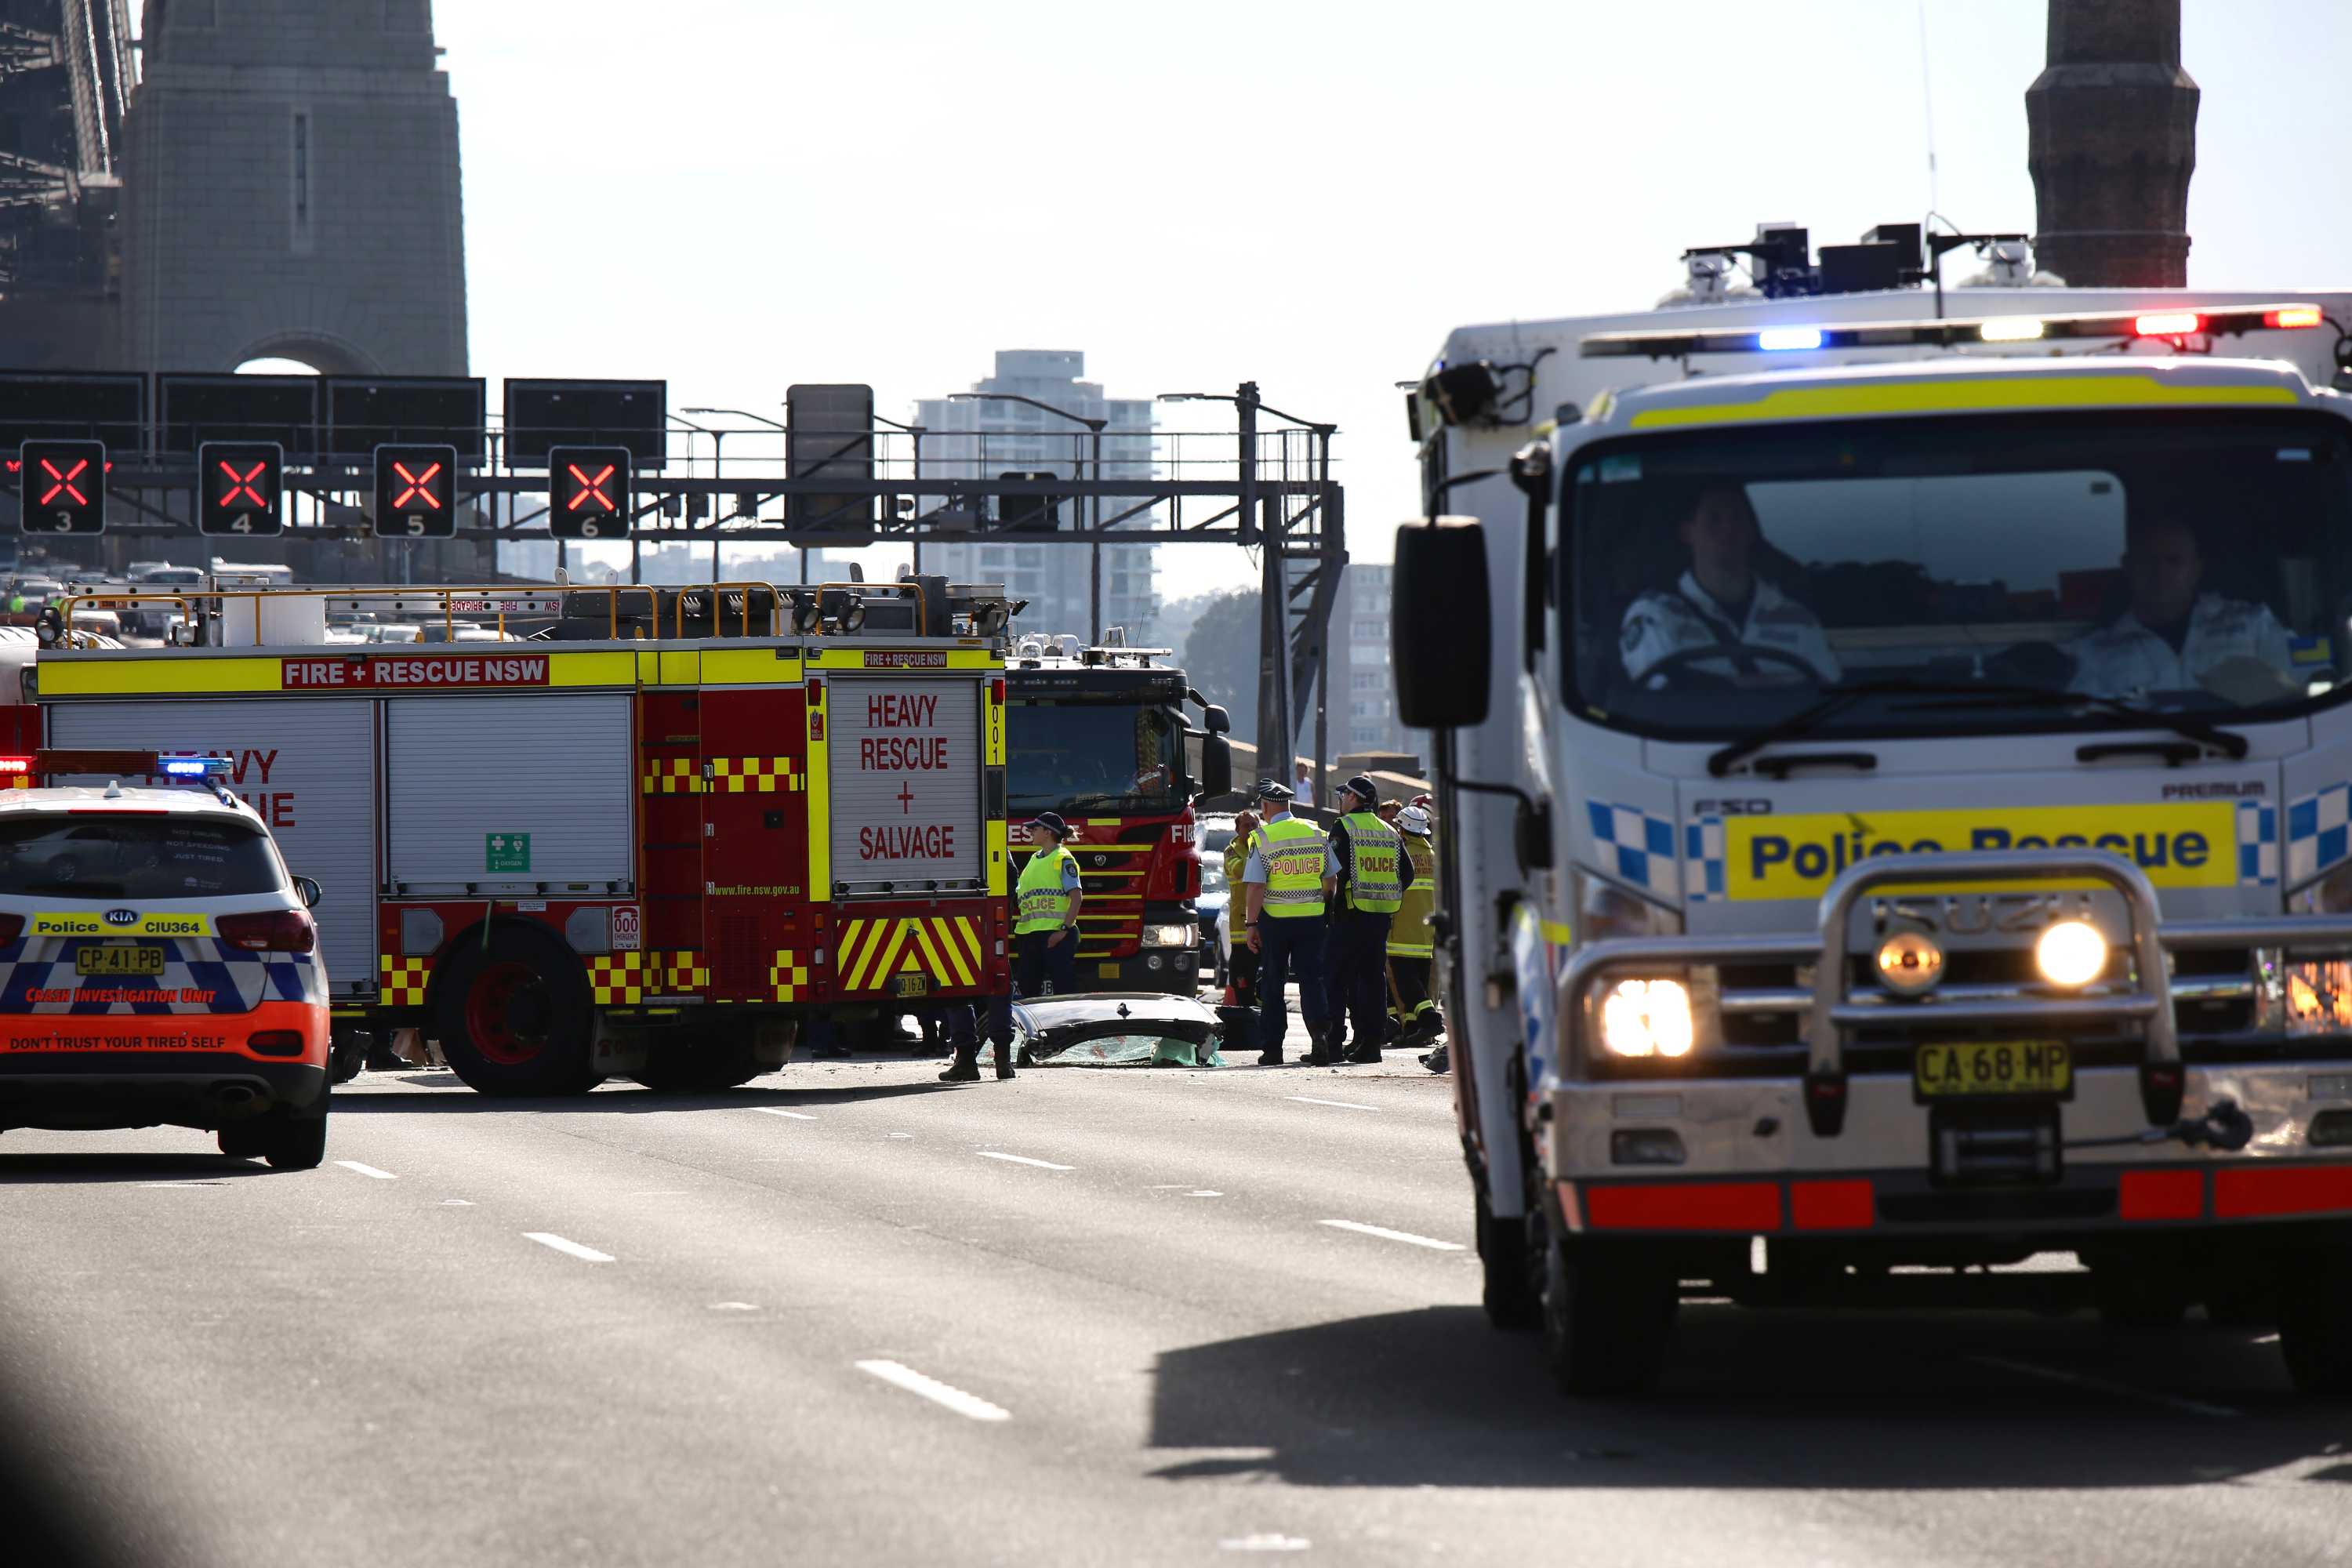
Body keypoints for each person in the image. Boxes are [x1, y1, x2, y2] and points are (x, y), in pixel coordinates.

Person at [1619, 484, 1840, 685]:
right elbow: (1662, 694)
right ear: (1687, 532)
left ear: (1751, 532)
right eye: (1714, 519)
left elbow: (1827, 691)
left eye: (1737, 518)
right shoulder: (1655, 614)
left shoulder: (1799, 620)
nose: (1728, 529)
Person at [2067, 510, 2296, 698]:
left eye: (2174, 561)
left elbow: (2302, 692)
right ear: (2128, 567)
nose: (2160, 572)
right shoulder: (2093, 654)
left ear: (2196, 569)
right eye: (2147, 561)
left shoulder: (2254, 625)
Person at [942, 812, 1082, 1081]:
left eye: (1035, 829)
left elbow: (1076, 896)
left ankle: (1068, 1045)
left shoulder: (1062, 859)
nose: (1030, 832)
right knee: (1026, 993)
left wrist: (1063, 930)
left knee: (1063, 993)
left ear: (1048, 832)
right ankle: (1026, 1050)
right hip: (1030, 935)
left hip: (1054, 935)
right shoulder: (1033, 860)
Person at [1240, 780, 1336, 1066]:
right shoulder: (1316, 832)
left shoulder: (1262, 838)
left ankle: (1273, 1050)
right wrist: (1324, 907)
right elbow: (1331, 879)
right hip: (1312, 920)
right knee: (1312, 980)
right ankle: (1320, 1036)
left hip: (1276, 922)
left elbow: (1256, 886)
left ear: (1265, 806)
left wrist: (1251, 924)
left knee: (1273, 983)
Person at [1322, 775, 1406, 1064]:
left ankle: (1333, 1044)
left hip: (1349, 915)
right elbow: (1406, 873)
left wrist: (1330, 906)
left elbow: (1335, 871)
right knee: (1372, 981)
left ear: (1353, 797)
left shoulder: (1344, 827)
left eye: (1343, 795)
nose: (1341, 800)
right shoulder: (1389, 830)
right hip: (1380, 917)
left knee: (1336, 980)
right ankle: (1370, 1045)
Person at [1386, 804, 1442, 1068]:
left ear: (1402, 829)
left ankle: (1430, 1019)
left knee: (1407, 984)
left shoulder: (1401, 853)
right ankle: (1412, 1028)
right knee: (1418, 979)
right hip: (1426, 931)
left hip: (1402, 928)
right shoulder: (1432, 855)